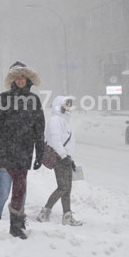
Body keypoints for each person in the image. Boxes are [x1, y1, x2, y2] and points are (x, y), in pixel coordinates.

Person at [0, 61, 45, 239]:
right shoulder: (3, 98)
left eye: (24, 78)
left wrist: (40, 152)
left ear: (28, 80)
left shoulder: (34, 100)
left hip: (25, 150)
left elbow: (39, 128)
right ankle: (16, 223)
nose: (21, 81)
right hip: (7, 149)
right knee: (19, 184)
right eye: (17, 78)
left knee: (21, 185)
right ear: (13, 80)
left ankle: (17, 221)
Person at [37, 96, 82, 226]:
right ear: (59, 105)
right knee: (63, 187)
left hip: (65, 158)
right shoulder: (55, 120)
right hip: (59, 158)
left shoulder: (66, 122)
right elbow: (56, 141)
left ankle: (67, 216)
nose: (67, 108)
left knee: (67, 188)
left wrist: (70, 158)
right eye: (65, 105)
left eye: (69, 105)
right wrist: (63, 156)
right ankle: (44, 212)